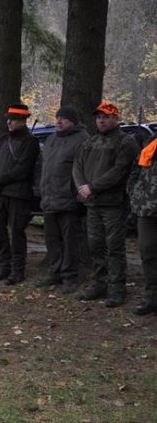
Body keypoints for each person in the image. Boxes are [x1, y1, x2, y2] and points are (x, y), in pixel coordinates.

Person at [73, 101, 138, 307]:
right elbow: (78, 166)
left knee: (114, 247)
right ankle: (98, 283)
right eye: (99, 117)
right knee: (95, 245)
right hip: (92, 204)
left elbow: (118, 172)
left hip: (113, 204)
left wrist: (93, 187)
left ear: (116, 119)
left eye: (107, 117)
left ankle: (117, 288)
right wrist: (83, 187)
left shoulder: (125, 142)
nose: (101, 120)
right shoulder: (90, 142)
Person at [36, 106, 89, 293]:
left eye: (64, 118)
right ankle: (55, 272)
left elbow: (84, 170)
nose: (59, 121)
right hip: (49, 198)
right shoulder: (51, 139)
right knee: (52, 239)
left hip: (69, 201)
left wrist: (78, 196)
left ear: (73, 121)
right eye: (58, 117)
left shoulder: (82, 140)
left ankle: (69, 276)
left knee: (70, 241)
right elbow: (44, 168)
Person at [0, 104, 40, 285]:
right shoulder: (2, 139)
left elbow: (22, 170)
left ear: (23, 121)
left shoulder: (30, 142)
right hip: (0, 194)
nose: (9, 122)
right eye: (8, 118)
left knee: (17, 232)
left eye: (14, 119)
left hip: (18, 195)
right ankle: (3, 266)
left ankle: (18, 270)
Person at [129, 135, 157, 315]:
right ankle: (151, 298)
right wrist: (135, 194)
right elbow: (135, 171)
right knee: (148, 254)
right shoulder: (150, 143)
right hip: (146, 210)